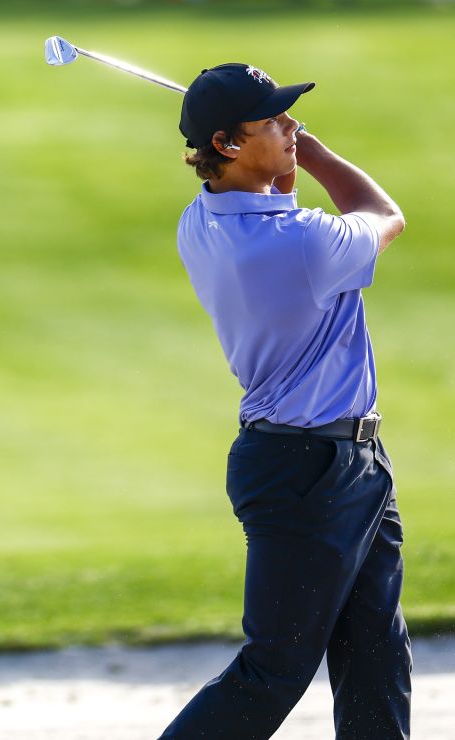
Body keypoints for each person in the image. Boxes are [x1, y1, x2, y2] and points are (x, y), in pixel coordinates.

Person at [160, 63, 410, 738]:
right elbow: (386, 216)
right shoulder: (301, 246)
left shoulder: (202, 220)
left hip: (335, 463)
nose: (292, 127)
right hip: (312, 472)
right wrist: (321, 153)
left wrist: (285, 153)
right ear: (230, 144)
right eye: (274, 121)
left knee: (375, 652)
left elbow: (284, 197)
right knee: (274, 669)